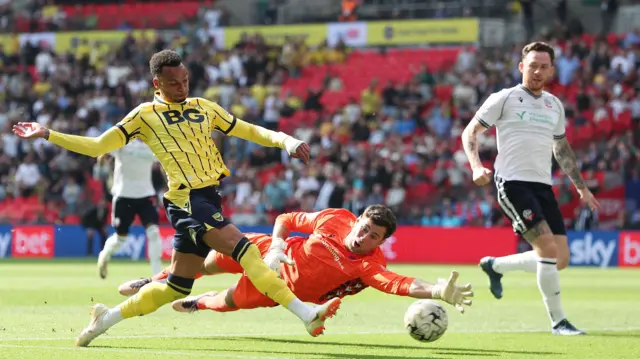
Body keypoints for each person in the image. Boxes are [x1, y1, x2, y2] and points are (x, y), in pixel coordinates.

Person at [12, 49, 340, 347]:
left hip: (209, 197)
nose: (182, 87)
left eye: (185, 80)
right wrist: (49, 134)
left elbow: (249, 130)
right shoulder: (144, 115)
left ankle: (105, 318)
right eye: (173, 83)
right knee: (248, 253)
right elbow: (98, 146)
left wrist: (286, 140)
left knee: (176, 287)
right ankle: (307, 314)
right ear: (157, 83)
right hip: (186, 200)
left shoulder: (203, 107)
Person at [461, 41, 600, 336]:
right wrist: (475, 166)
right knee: (547, 248)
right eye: (532, 65)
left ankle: (495, 265)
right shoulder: (505, 98)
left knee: (559, 259)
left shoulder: (554, 105)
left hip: (542, 186)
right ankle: (559, 322)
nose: (537, 71)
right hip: (511, 182)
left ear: (551, 70)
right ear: (521, 67)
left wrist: (581, 188)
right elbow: (470, 131)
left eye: (543, 66)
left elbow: (561, 148)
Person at [117, 206, 474, 316]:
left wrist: (438, 290)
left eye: (373, 237)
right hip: (268, 252)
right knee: (207, 261)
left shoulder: (367, 266)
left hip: (282, 289)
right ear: (360, 219)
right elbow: (286, 220)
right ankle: (153, 281)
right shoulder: (336, 217)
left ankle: (199, 302)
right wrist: (276, 247)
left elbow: (397, 283)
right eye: (364, 229)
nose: (363, 238)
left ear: (381, 242)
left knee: (226, 302)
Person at [96, 139, 163, 279]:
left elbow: (166, 159)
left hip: (145, 196)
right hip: (123, 196)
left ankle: (157, 275)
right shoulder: (122, 142)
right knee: (121, 238)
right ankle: (104, 255)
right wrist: (103, 155)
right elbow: (104, 150)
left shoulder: (153, 145)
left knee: (154, 232)